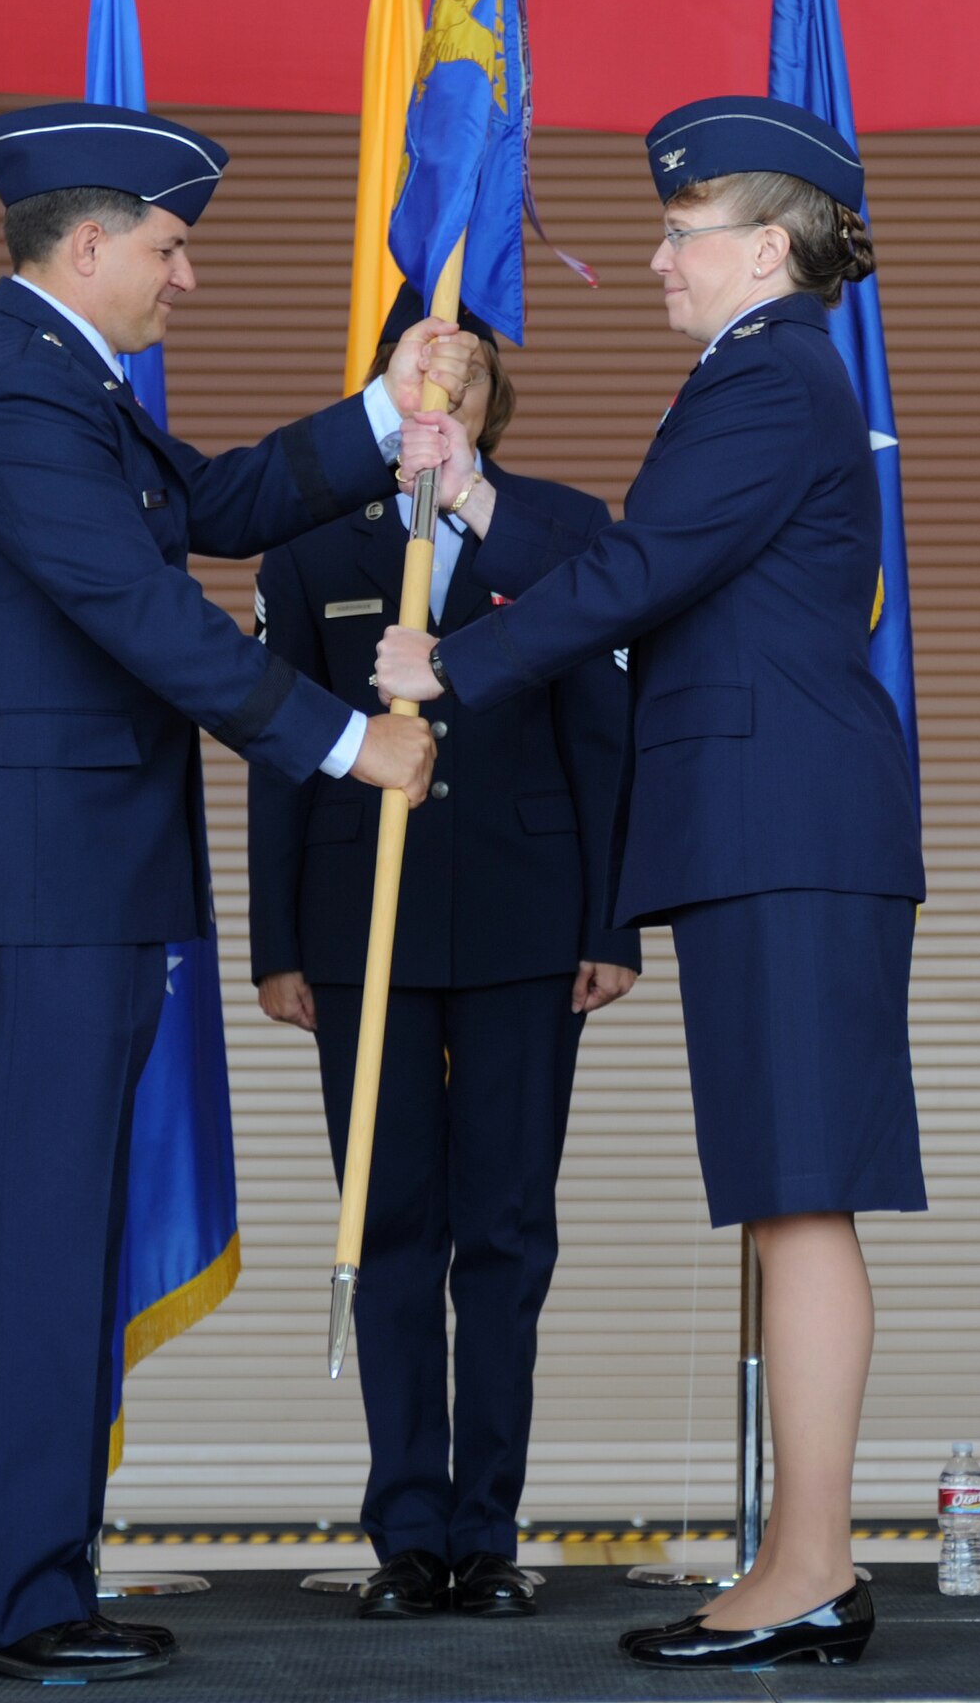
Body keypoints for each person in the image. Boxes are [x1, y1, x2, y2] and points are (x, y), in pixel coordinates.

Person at [0, 102, 459, 1683]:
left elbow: (205, 507)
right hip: (41, 873)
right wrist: (352, 743)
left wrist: (381, 414)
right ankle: (8, 1599)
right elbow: (145, 616)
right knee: (35, 1227)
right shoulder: (22, 394)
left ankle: (35, 1579)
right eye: (171, 246)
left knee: (63, 1226)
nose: (186, 277)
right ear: (91, 246)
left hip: (78, 865)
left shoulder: (63, 378)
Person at [374, 95, 926, 1672]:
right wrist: (475, 499)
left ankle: (810, 1567)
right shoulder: (759, 377)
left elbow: (633, 575)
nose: (656, 258)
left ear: (763, 245)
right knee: (784, 1195)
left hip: (789, 833)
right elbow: (661, 555)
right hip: (776, 831)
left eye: (679, 233)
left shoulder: (767, 378)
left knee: (797, 1196)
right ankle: (801, 1556)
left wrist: (449, 662)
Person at [248, 285, 639, 1619]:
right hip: (364, 929)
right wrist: (278, 940)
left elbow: (604, 735)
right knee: (391, 1224)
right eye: (424, 374)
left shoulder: (562, 531)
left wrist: (609, 923)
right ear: (385, 391)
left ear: (491, 402)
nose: (446, 397)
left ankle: (488, 1531)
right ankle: (407, 1533)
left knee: (508, 1232)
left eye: (467, 377)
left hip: (532, 922)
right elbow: (280, 757)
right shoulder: (309, 552)